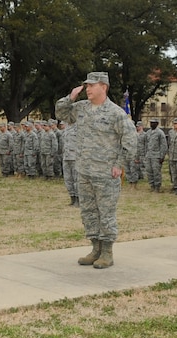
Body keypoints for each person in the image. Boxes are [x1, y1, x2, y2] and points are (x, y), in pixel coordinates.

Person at [55, 72, 136, 269]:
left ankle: (107, 252)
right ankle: (95, 248)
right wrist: (71, 97)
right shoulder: (81, 108)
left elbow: (130, 140)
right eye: (86, 85)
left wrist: (119, 164)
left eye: (92, 85)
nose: (88, 89)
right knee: (89, 212)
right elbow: (61, 113)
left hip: (105, 173)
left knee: (106, 212)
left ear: (104, 87)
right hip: (84, 171)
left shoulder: (115, 113)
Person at [145, 119, 167, 192]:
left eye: (153, 123)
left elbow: (163, 145)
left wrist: (162, 156)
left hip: (156, 156)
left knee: (156, 172)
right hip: (149, 155)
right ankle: (152, 186)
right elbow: (146, 144)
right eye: (151, 123)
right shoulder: (148, 132)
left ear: (157, 124)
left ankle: (157, 187)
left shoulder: (160, 133)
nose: (152, 124)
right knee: (149, 171)